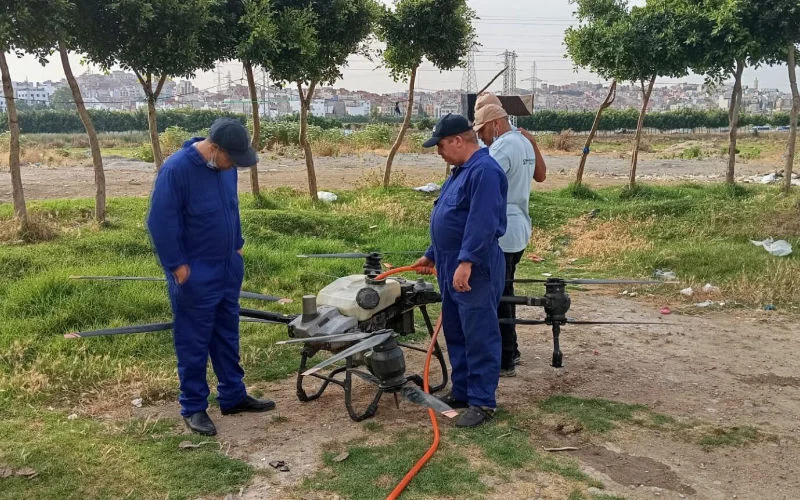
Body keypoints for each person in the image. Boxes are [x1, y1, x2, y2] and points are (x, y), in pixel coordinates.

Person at [146, 118, 275, 436]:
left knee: (227, 334)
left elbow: (232, 209)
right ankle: (193, 407)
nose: (235, 166)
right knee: (193, 340)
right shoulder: (177, 170)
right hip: (195, 271)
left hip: (228, 266)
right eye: (232, 158)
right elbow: (159, 221)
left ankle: (233, 395)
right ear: (214, 148)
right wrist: (176, 265)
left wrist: (238, 246)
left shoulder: (225, 168)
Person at [413, 113, 508, 428]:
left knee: (479, 332)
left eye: (440, 145)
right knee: (456, 329)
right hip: (450, 261)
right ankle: (464, 390)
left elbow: (482, 224)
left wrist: (466, 262)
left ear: (457, 140)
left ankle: (482, 402)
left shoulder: (485, 172)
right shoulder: (460, 172)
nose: (438, 152)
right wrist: (431, 255)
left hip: (474, 265)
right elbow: (450, 217)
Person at [473, 98, 547, 377]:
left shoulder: (503, 146)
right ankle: (510, 350)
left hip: (502, 231)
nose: (481, 136)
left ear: (495, 123)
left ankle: (504, 358)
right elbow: (540, 175)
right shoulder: (524, 141)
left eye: (482, 131)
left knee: (499, 296)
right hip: (519, 229)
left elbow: (485, 180)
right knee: (506, 292)